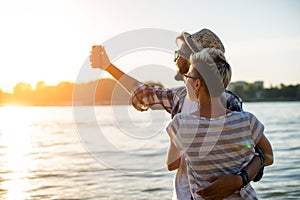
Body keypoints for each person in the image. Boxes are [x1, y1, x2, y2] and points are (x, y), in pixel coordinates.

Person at [90, 28, 266, 200]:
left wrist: (238, 180)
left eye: (179, 54)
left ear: (195, 60)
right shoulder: (179, 97)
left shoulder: (229, 103)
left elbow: (257, 155)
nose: (175, 59)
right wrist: (108, 67)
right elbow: (143, 94)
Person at [166, 48, 273, 199]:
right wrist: (242, 176)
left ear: (197, 84)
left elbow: (172, 164)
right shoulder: (248, 121)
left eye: (187, 76)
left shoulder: (181, 124)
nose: (185, 80)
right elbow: (268, 157)